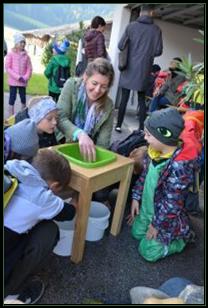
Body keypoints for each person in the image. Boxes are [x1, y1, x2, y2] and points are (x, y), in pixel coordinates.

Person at [4, 149, 77, 304]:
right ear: (55, 185)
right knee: (49, 230)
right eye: (59, 190)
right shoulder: (42, 198)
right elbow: (69, 213)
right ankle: (11, 292)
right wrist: (77, 197)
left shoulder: (11, 167)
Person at [128, 108, 200, 262]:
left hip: (165, 218)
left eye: (149, 135)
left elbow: (172, 204)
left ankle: (180, 241)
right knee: (135, 233)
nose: (145, 138)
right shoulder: (153, 151)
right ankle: (149, 224)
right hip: (148, 210)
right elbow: (143, 178)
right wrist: (135, 197)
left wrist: (156, 225)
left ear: (164, 136)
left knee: (148, 252)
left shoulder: (178, 167)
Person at [115, 4, 163, 132]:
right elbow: (158, 51)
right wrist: (147, 52)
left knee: (124, 99)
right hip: (144, 69)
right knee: (141, 100)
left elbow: (120, 45)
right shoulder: (156, 30)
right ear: (152, 13)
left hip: (128, 68)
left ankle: (118, 125)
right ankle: (141, 128)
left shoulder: (131, 27)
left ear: (141, 12)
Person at [56, 57, 115, 162]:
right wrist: (80, 134)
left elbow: (103, 143)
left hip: (88, 151)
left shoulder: (108, 105)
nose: (97, 90)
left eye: (103, 87)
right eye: (94, 83)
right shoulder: (72, 86)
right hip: (62, 143)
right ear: (85, 77)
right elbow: (60, 117)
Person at [5, 33, 32, 116]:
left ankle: (22, 115)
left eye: (24, 42)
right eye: (21, 42)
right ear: (16, 43)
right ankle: (11, 116)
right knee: (12, 98)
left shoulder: (26, 56)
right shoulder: (10, 54)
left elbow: (29, 68)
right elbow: (8, 68)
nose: (23, 44)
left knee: (23, 98)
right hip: (13, 81)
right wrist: (18, 77)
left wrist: (25, 77)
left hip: (23, 81)